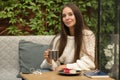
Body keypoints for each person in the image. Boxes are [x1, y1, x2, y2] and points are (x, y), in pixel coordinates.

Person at [40, 3, 96, 72]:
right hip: (62, 74)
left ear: (77, 16)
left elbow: (89, 63)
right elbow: (56, 67)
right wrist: (49, 60)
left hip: (80, 74)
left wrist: (66, 66)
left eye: (70, 14)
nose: (67, 18)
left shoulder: (87, 35)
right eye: (64, 16)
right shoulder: (59, 38)